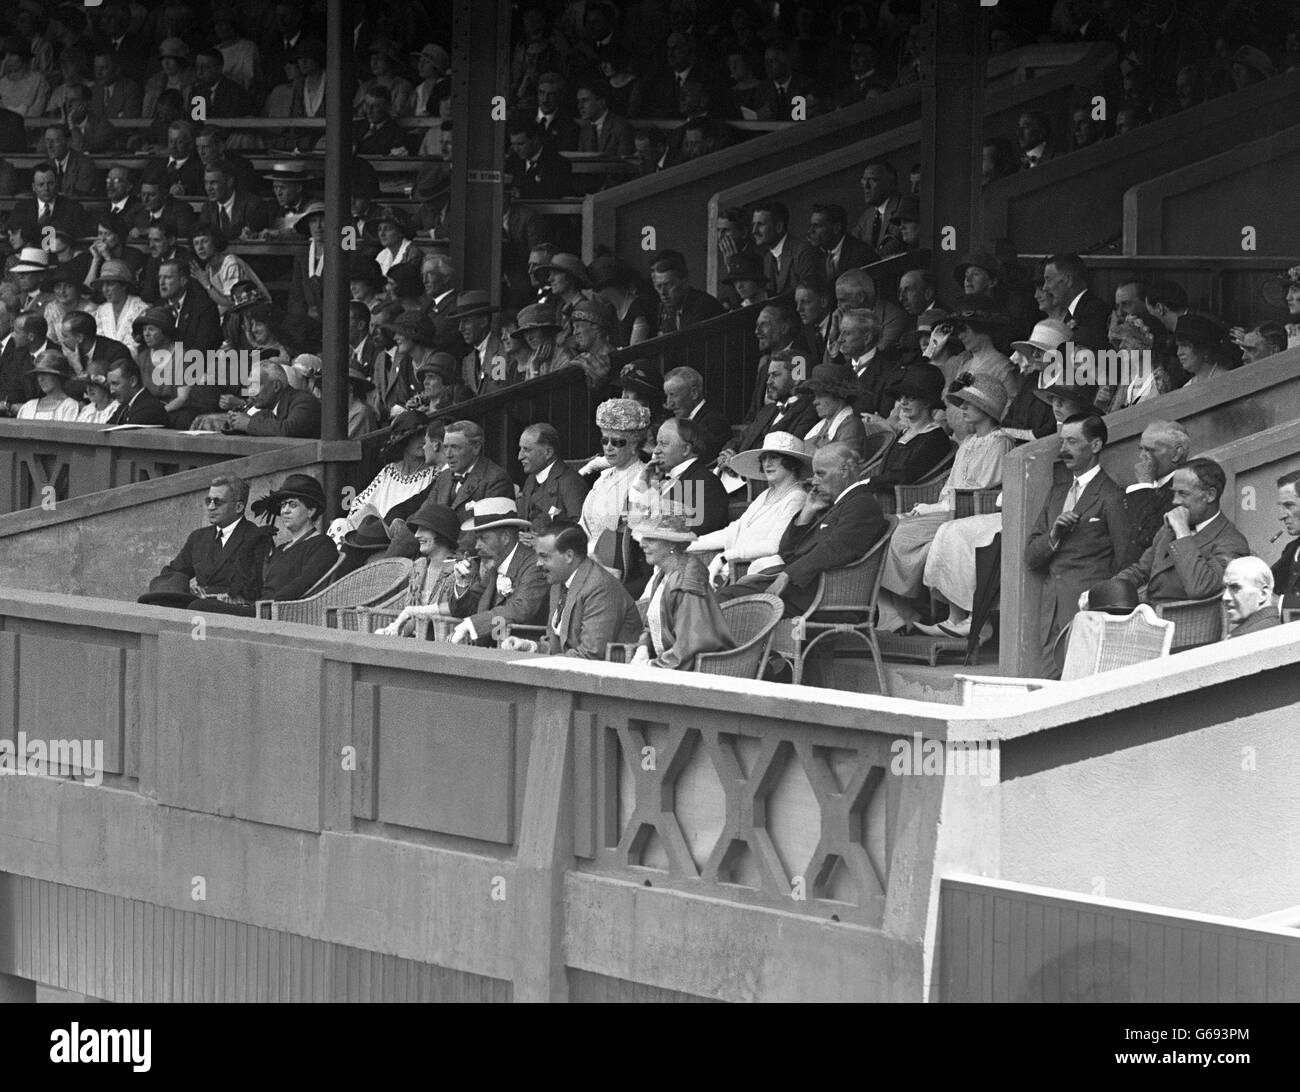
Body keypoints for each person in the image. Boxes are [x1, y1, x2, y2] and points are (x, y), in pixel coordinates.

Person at [877, 375, 1015, 632]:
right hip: (949, 507)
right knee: (889, 528)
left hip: (971, 510)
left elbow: (981, 488)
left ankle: (936, 612)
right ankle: (898, 611)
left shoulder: (999, 442)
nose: (962, 408)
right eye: (961, 403)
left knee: (904, 536)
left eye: (968, 404)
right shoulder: (969, 442)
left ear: (985, 409)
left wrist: (937, 508)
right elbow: (951, 484)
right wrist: (936, 505)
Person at [716, 442, 888, 617]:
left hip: (824, 599)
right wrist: (807, 512)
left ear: (843, 470)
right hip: (803, 592)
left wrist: (786, 576)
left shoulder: (861, 504)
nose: (814, 481)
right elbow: (787, 552)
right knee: (721, 597)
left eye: (821, 474)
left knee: (724, 599)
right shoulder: (833, 505)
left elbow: (836, 548)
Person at [1025, 415, 1133, 677]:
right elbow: (1031, 555)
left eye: (1072, 441)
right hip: (1051, 610)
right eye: (1062, 442)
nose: (1063, 450)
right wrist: (1054, 534)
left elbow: (1125, 560)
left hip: (1088, 612)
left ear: (1095, 445)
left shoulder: (1112, 495)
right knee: (1044, 687)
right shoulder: (1057, 492)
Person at [192, 475, 339, 616]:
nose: (285, 510)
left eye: (292, 505)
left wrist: (267, 605)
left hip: (277, 613)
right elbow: (258, 587)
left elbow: (303, 584)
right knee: (186, 601)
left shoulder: (322, 545)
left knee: (198, 607)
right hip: (258, 608)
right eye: (283, 505)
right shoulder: (281, 548)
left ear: (311, 511)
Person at [1111, 458, 1250, 605]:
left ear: (1210, 495)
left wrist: (1183, 534)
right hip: (1148, 614)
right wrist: (1105, 590)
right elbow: (1141, 570)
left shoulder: (1232, 542)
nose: (1175, 501)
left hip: (1186, 622)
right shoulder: (1169, 529)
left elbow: (1201, 588)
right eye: (1174, 493)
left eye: (1183, 494)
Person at [500, 520, 643, 658]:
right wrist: (532, 647)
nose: (538, 563)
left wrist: (541, 661)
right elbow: (559, 646)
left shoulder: (600, 588)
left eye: (544, 556)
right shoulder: (558, 581)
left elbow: (590, 656)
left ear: (569, 556)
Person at [690, 432, 809, 586]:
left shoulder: (797, 497)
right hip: (728, 570)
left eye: (774, 457)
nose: (767, 464)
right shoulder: (766, 494)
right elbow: (733, 531)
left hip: (753, 576)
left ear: (791, 462)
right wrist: (689, 543)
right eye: (764, 458)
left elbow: (774, 545)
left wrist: (724, 557)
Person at [137, 475, 271, 608]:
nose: (211, 507)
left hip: (233, 610)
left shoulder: (256, 537)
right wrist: (185, 585)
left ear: (239, 507)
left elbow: (260, 586)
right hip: (198, 607)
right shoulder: (198, 538)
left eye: (217, 502)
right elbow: (173, 571)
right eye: (208, 501)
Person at [629, 515, 734, 669]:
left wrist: (651, 666)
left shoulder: (686, 581)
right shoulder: (663, 574)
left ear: (671, 543)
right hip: (671, 665)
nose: (642, 544)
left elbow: (691, 646)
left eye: (651, 539)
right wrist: (643, 647)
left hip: (700, 671)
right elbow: (652, 625)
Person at [446, 499, 549, 645]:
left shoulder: (534, 565)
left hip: (523, 654)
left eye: (483, 538)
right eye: (477, 539)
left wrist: (470, 625)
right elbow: (466, 609)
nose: (477, 546)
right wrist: (462, 583)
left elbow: (521, 608)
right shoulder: (495, 565)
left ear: (506, 537)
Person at [328, 412, 438, 546]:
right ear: (403, 440)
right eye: (416, 436)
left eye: (426, 435)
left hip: (402, 539)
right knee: (339, 524)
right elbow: (358, 505)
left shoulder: (434, 472)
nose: (423, 441)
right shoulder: (389, 471)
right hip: (372, 535)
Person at [375, 501, 461, 638]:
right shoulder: (419, 566)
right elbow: (412, 617)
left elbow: (458, 610)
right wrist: (398, 632)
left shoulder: (460, 570)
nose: (416, 535)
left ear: (442, 532)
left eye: (423, 529)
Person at [865, 365, 952, 497]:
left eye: (911, 397)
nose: (903, 403)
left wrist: (867, 483)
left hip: (907, 499)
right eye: (901, 397)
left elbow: (907, 475)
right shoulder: (905, 433)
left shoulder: (935, 438)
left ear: (928, 402)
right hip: (882, 495)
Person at [580, 397, 650, 552]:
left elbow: (632, 539)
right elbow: (583, 526)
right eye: (605, 441)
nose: (608, 448)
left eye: (617, 442)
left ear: (634, 445)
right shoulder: (603, 477)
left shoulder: (644, 479)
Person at [1124, 420, 1191, 560]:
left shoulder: (1184, 491)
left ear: (1177, 454)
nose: (1142, 456)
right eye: (1141, 449)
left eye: (1150, 450)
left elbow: (1143, 538)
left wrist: (1144, 485)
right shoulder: (1145, 486)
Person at [519, 423, 590, 527]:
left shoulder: (571, 483)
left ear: (548, 452)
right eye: (520, 449)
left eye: (527, 450)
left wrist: (543, 541)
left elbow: (578, 532)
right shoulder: (530, 480)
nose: (519, 456)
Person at [228, 360, 321, 438]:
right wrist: (234, 422)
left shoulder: (305, 402)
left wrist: (248, 424)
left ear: (276, 386)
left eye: (255, 385)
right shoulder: (267, 410)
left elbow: (288, 431)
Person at [797, 361, 869, 459]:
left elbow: (842, 468)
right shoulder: (821, 426)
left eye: (821, 395)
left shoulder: (851, 427)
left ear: (839, 395)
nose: (815, 402)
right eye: (814, 396)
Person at [662, 366, 730, 463]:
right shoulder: (680, 421)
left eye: (673, 395)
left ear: (694, 393)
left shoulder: (715, 422)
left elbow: (697, 458)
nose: (669, 403)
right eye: (667, 396)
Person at [650, 250, 723, 335]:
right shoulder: (665, 309)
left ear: (685, 282)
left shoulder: (704, 307)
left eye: (669, 285)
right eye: (659, 286)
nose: (663, 293)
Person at [1222, 557, 1280, 639]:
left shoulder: (1241, 639)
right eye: (1224, 588)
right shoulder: (1283, 623)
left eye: (1235, 588)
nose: (1225, 597)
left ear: (1263, 593)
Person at [16, 351, 79, 420]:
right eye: (38, 374)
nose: (40, 379)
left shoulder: (69, 406)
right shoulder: (28, 406)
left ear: (58, 376)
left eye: (45, 373)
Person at [106, 357, 168, 425]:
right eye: (110, 385)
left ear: (133, 381)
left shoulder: (149, 408)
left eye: (115, 384)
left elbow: (129, 434)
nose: (111, 391)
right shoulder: (124, 408)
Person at [1271, 469, 1300, 610]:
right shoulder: (1292, 549)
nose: (1281, 516)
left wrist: (1280, 603)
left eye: (1289, 505)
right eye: (1281, 506)